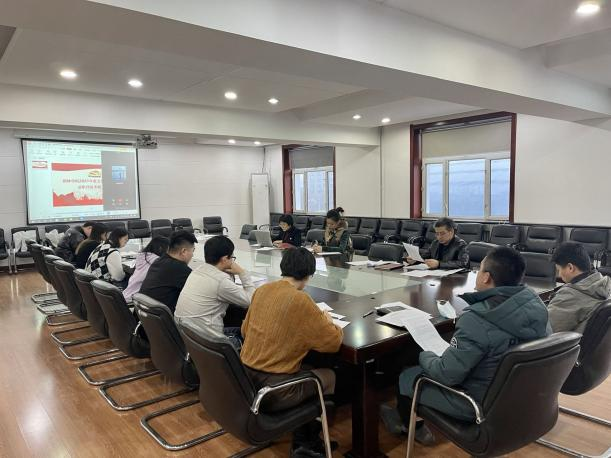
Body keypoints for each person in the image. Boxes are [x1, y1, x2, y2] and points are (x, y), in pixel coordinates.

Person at [382, 246, 550, 444]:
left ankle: (409, 425)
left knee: (407, 376)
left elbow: (446, 374)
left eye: (479, 270)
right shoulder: (537, 307)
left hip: (476, 403)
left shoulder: (478, 319)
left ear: (486, 277)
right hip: (521, 398)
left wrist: (424, 355)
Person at [240, 247, 343, 457]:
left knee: (307, 366)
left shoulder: (263, 290)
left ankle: (302, 432)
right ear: (309, 274)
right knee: (329, 376)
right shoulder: (300, 299)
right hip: (275, 391)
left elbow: (244, 331)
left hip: (246, 381)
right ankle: (307, 441)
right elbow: (332, 343)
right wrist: (330, 322)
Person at [175, 236, 255, 350]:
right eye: (232, 257)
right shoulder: (221, 281)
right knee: (249, 333)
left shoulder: (197, 271)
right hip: (209, 343)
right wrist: (243, 273)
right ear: (224, 259)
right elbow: (251, 301)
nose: (233, 261)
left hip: (188, 338)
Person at [548, 242, 611, 333]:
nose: (559, 275)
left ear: (570, 268)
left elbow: (544, 330)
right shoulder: (605, 286)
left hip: (566, 342)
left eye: (559, 270)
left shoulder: (568, 297)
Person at [139, 230, 197, 313]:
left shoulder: (159, 261)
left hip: (145, 316)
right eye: (192, 251)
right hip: (163, 318)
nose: (192, 255)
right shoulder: (179, 268)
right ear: (184, 251)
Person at [122, 236, 170, 302]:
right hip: (135, 300)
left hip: (126, 296)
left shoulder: (143, 256)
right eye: (168, 249)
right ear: (160, 248)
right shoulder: (157, 261)